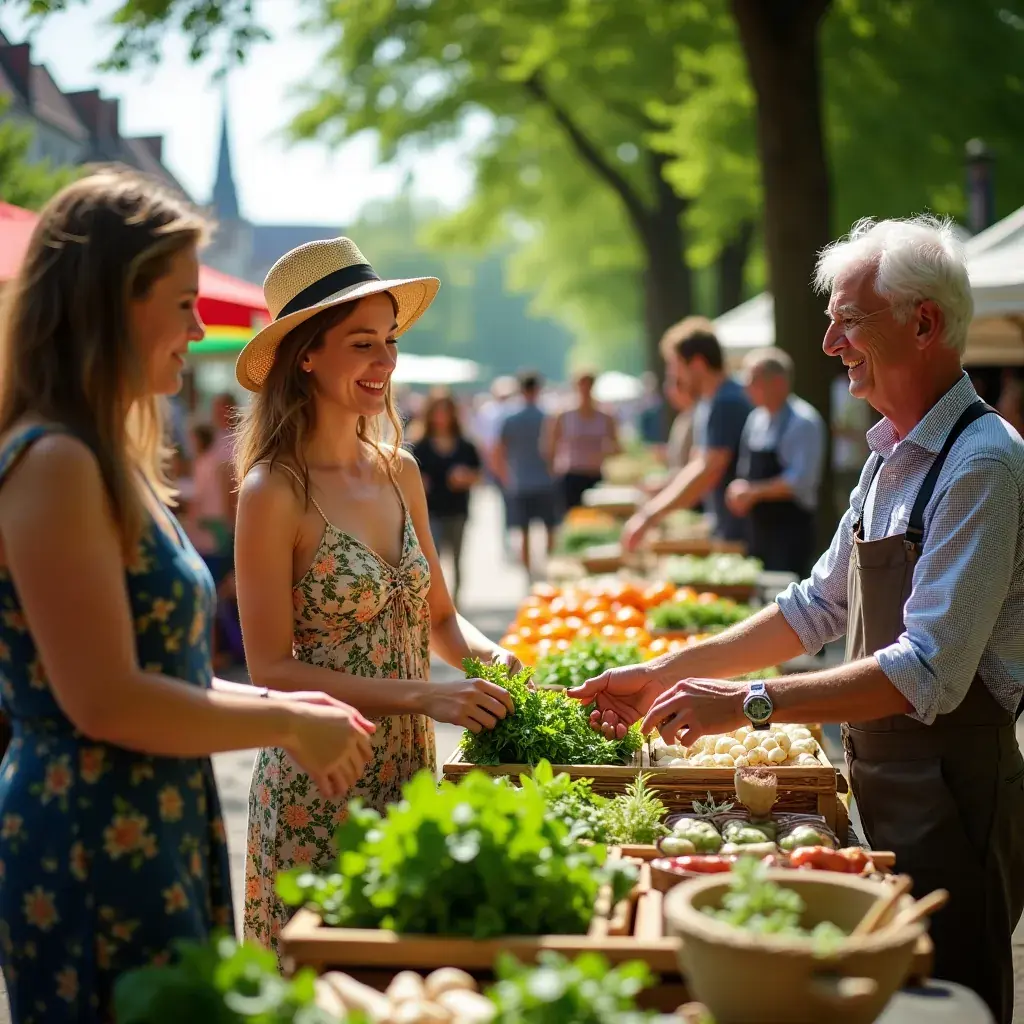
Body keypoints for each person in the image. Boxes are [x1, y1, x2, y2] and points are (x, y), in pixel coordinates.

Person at [569, 215, 1024, 1024]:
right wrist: (663, 673)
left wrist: (750, 703)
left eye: (848, 320)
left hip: (957, 796)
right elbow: (816, 606)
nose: (828, 343)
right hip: (882, 779)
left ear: (923, 323)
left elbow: (930, 670)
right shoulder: (889, 457)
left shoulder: (982, 462)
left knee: (948, 996)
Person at [0, 169, 374, 1023]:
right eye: (181, 304)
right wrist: (286, 722)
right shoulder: (56, 461)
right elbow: (106, 700)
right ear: (110, 305)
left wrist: (295, 704)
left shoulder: (101, 455)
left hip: (146, 814)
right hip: (92, 835)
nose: (199, 328)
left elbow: (159, 673)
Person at [231, 236, 520, 959]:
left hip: (410, 777)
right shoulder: (273, 490)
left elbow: (442, 618)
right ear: (305, 355)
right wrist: (427, 695)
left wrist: (496, 660)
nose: (385, 362)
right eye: (362, 344)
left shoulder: (401, 471)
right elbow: (271, 670)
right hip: (319, 787)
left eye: (390, 341)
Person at [622, 318, 751, 549]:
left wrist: (649, 516)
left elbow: (707, 470)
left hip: (744, 534)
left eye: (676, 366)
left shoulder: (726, 402)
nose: (674, 375)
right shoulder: (712, 403)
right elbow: (697, 465)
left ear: (698, 364)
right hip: (729, 528)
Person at [725, 347, 827, 577]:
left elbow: (799, 481)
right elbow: (745, 469)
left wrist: (753, 493)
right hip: (757, 531)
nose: (746, 388)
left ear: (779, 383)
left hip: (790, 533)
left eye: (753, 381)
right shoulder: (755, 419)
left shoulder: (803, 422)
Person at [409, 389, 482, 603]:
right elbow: (408, 477)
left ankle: (455, 604)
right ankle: (435, 603)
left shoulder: (465, 445)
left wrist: (466, 477)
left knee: (457, 559)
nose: (441, 417)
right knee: (432, 561)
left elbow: (479, 475)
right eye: (437, 411)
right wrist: (418, 483)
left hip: (457, 509)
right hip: (430, 512)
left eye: (445, 411)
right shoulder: (419, 446)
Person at [492, 372, 558, 577]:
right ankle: (549, 567)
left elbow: (498, 451)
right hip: (545, 480)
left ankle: (529, 572)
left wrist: (505, 476)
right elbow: (553, 450)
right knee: (549, 527)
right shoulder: (547, 417)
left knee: (524, 531)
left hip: (520, 481)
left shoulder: (510, 418)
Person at [546, 370, 620, 513]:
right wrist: (553, 469)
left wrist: (600, 454)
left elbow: (617, 446)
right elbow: (551, 445)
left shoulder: (605, 417)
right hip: (571, 475)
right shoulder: (563, 415)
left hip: (594, 473)